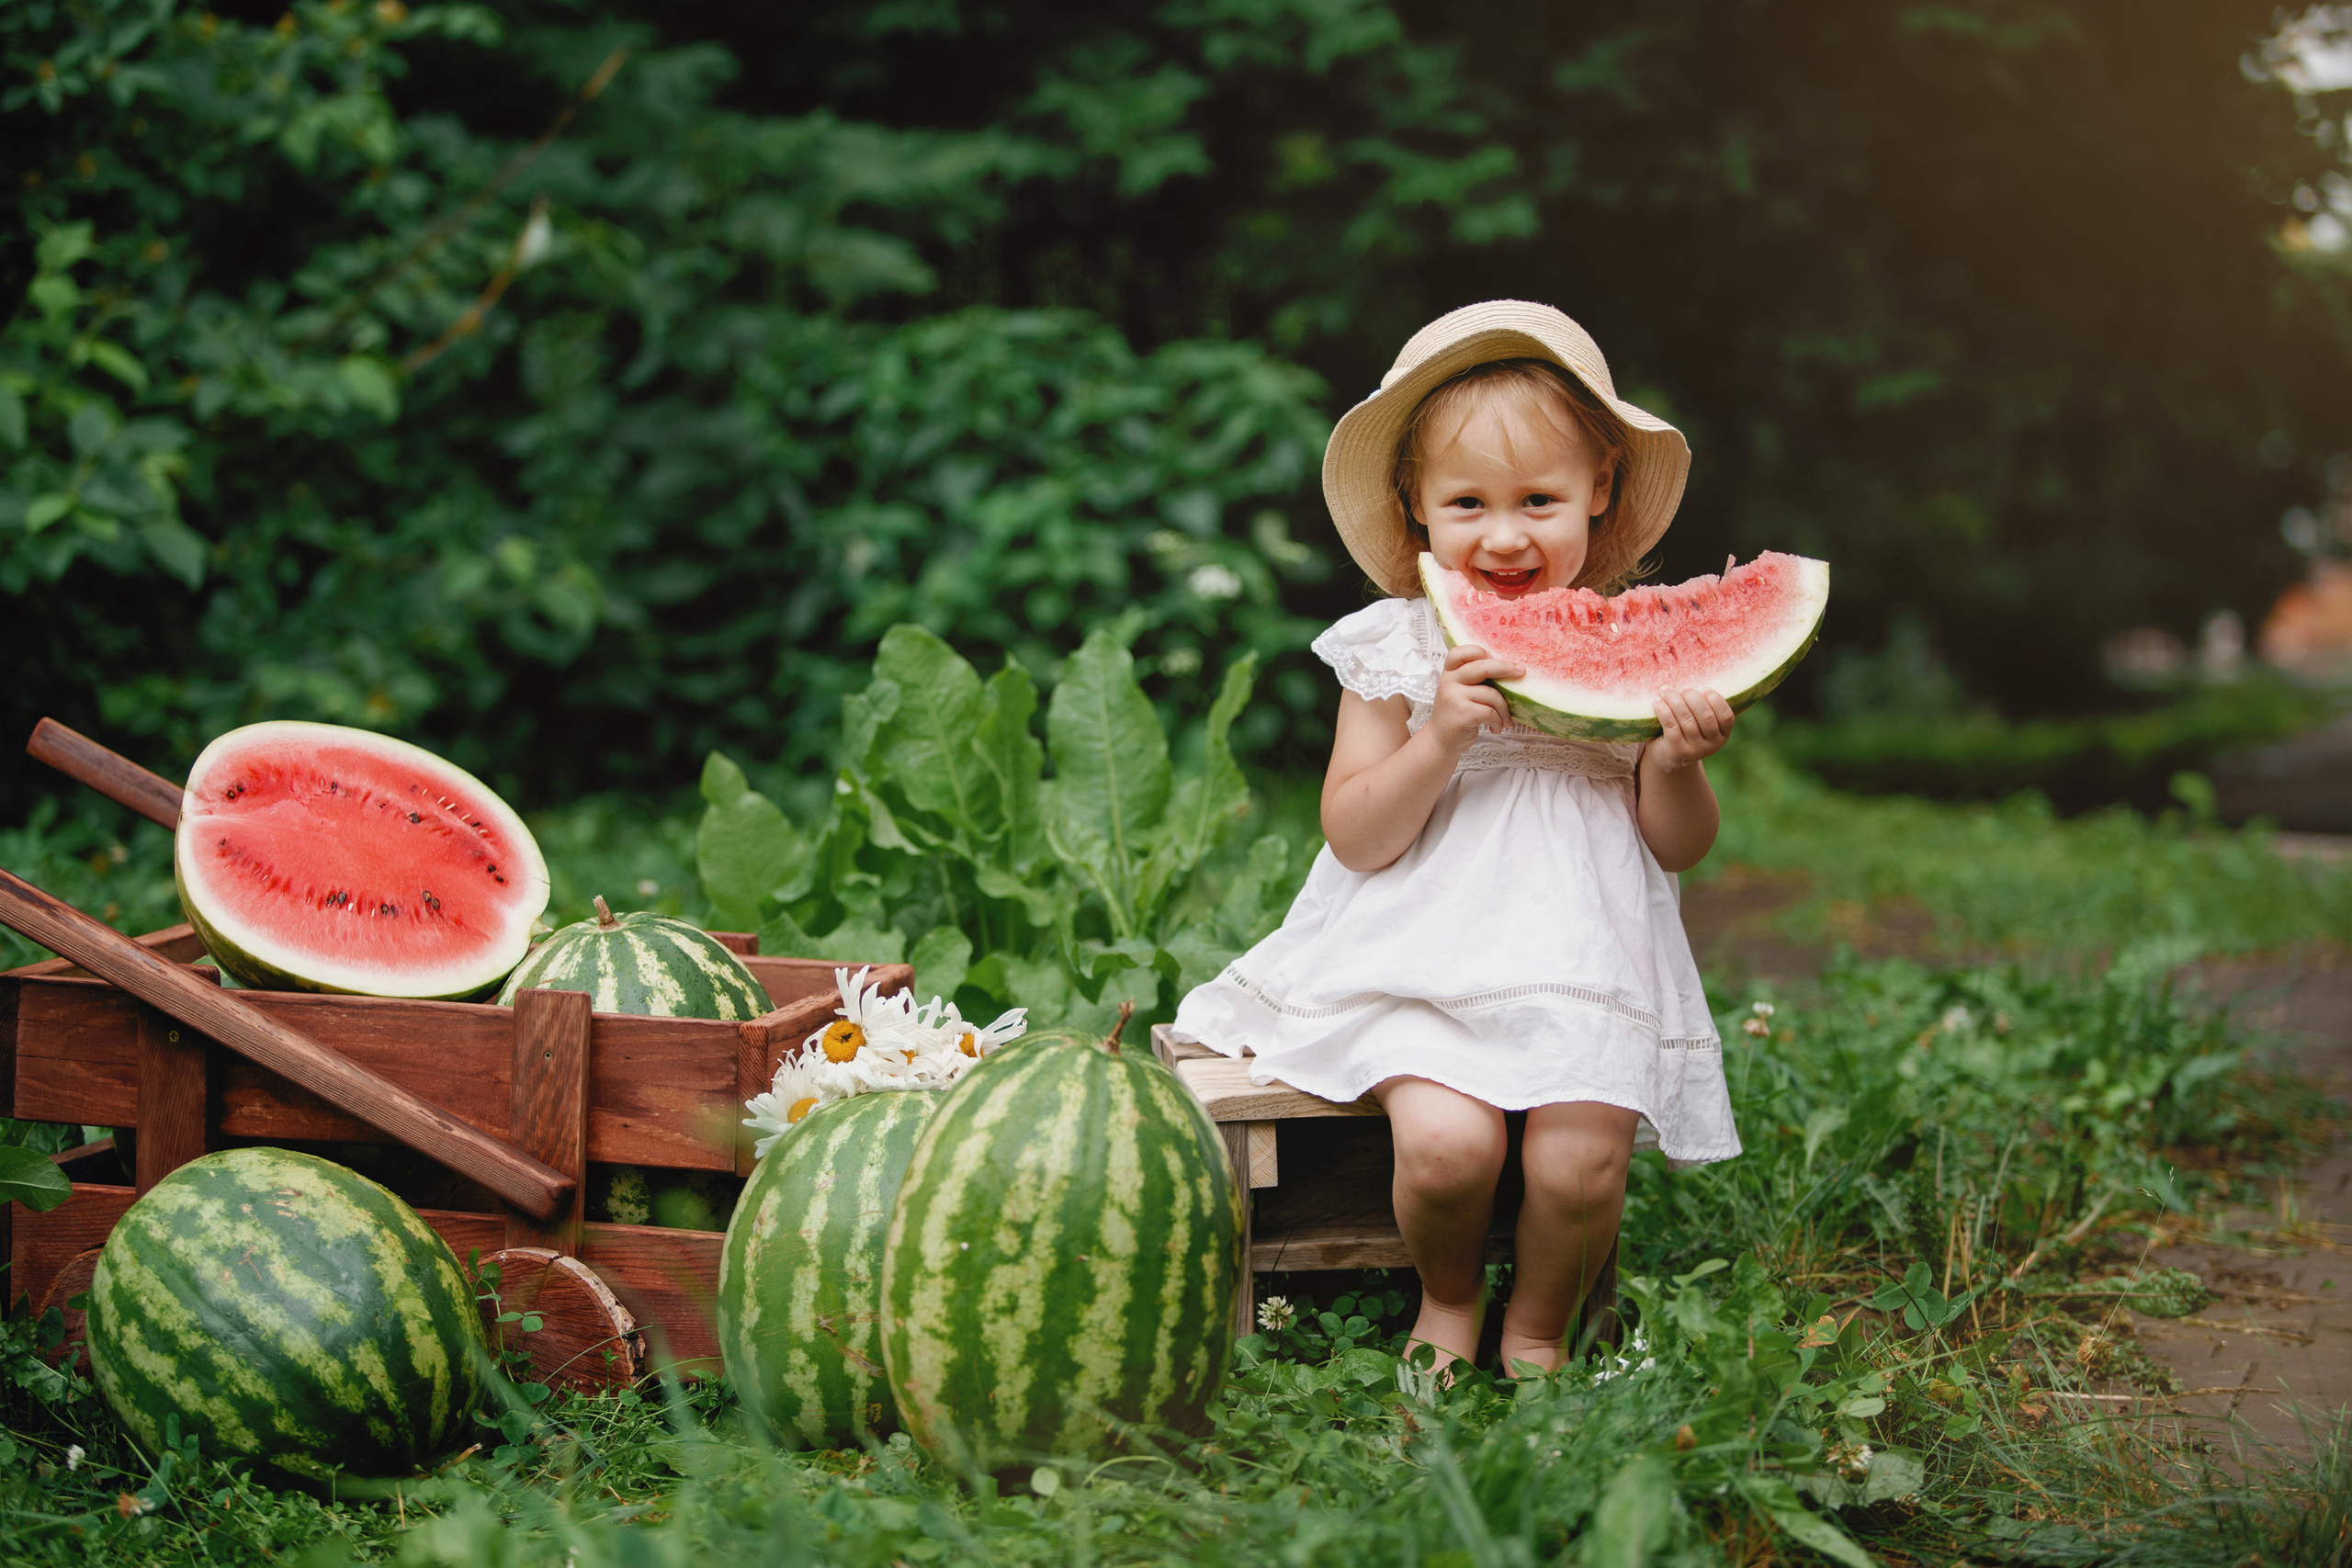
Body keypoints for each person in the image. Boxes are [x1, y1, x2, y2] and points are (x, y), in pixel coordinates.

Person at [1171, 300, 1742, 1377]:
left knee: (1581, 1169)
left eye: (1540, 500)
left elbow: (1678, 847)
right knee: (1445, 1150)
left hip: (1582, 966)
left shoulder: (1638, 646)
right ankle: (1445, 1299)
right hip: (1417, 964)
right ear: (1415, 510)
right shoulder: (1393, 645)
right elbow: (1356, 836)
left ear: (1600, 492)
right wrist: (1436, 736)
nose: (1505, 534)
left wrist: (1674, 762)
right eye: (1467, 503)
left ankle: (1534, 1327)